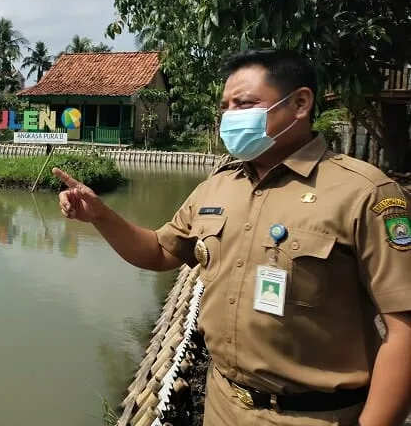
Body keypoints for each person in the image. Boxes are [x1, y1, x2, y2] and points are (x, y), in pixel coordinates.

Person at [53, 49, 411, 426]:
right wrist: (101, 216)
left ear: (300, 103)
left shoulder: (364, 193)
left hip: (317, 415)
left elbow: (404, 330)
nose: (230, 117)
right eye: (226, 106)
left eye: (244, 104)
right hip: (222, 406)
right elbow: (159, 252)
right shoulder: (218, 187)